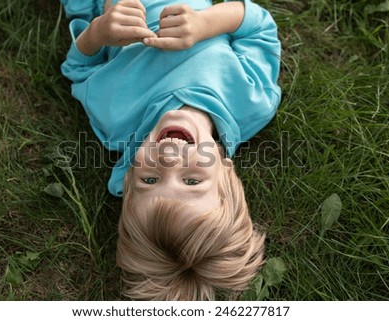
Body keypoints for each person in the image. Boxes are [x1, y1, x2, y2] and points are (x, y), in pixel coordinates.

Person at [60, 0, 281, 300]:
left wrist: (98, 33)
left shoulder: (116, 119)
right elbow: (258, 26)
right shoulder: (252, 100)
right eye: (192, 181)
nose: (168, 158)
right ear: (226, 177)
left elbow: (77, 68)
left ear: (128, 175)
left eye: (149, 180)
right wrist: (206, 23)